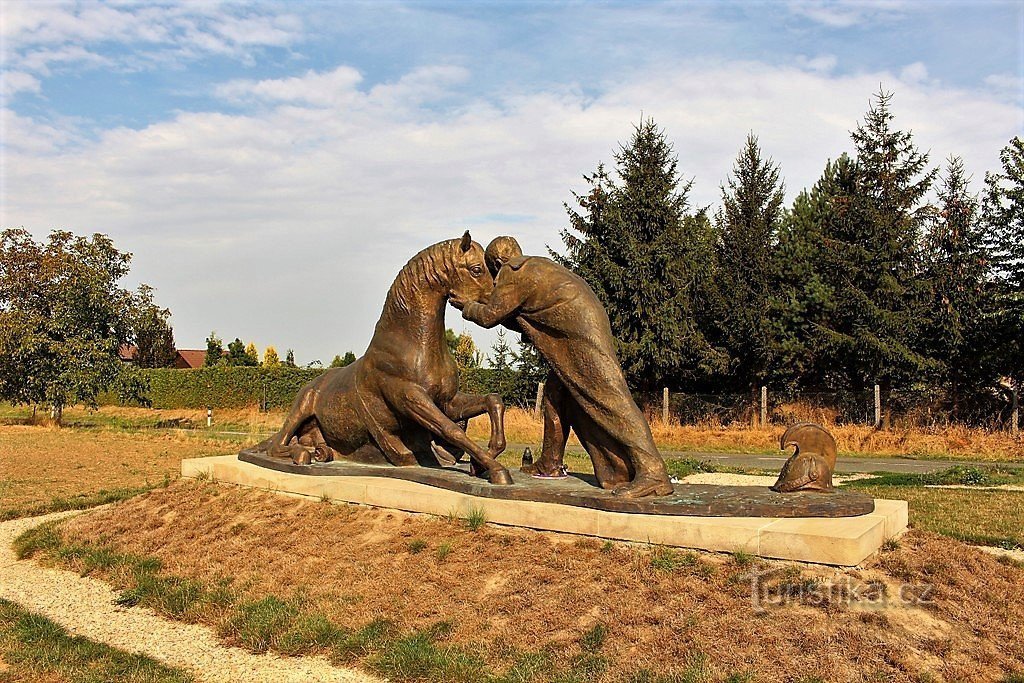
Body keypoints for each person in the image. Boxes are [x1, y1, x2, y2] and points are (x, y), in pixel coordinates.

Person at [451, 236, 673, 498]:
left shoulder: (512, 272)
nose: (496, 281)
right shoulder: (537, 267)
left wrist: (467, 307)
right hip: (581, 325)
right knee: (557, 395)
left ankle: (654, 473)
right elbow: (520, 316)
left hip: (579, 334)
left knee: (611, 400)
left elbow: (490, 316)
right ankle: (550, 462)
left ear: (497, 263)